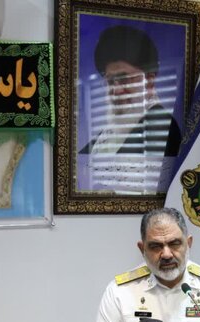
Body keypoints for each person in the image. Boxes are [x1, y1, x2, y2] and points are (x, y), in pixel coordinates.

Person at [78, 24, 182, 194]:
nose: (116, 90)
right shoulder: (106, 135)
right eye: (110, 81)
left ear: (149, 81)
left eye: (124, 79)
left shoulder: (163, 127)